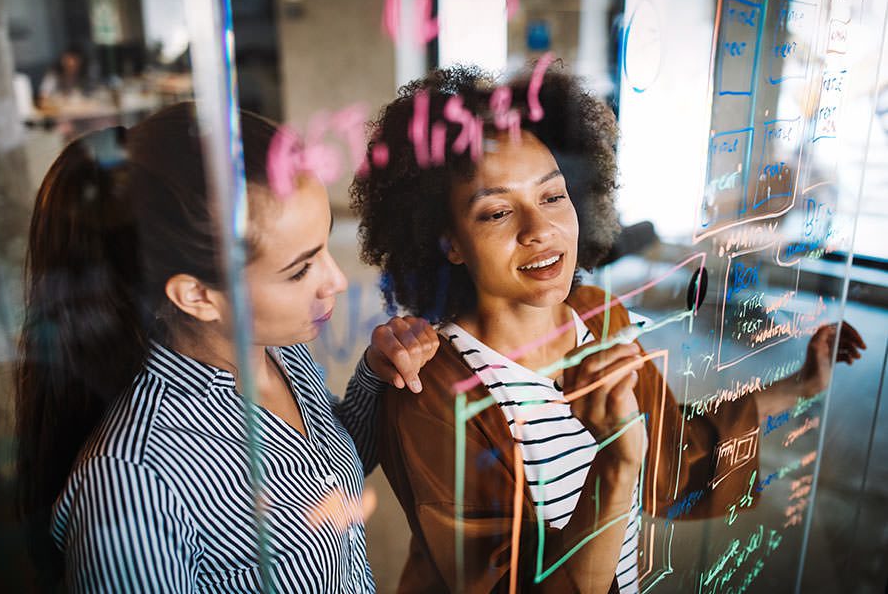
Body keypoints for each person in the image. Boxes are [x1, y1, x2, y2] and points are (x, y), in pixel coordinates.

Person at [350, 65, 865, 592]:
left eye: (553, 197)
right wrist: (616, 465)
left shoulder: (601, 314)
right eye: (498, 212)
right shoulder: (430, 386)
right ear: (448, 243)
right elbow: (506, 580)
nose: (540, 230)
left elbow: (671, 455)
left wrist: (801, 384)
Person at [15, 102, 438, 592]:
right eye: (300, 269)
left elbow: (330, 470)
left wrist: (375, 375)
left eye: (323, 245)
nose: (336, 281)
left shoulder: (278, 352)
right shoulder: (133, 483)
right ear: (197, 296)